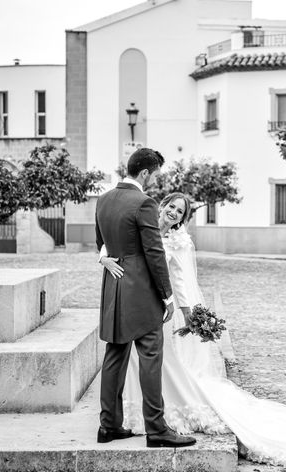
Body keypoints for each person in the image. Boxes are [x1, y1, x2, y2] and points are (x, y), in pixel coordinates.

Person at [101, 192, 286, 466]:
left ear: (182, 219)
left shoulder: (180, 242)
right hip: (140, 306)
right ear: (162, 206)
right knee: (147, 364)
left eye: (180, 212)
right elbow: (115, 244)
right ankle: (140, 414)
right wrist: (103, 258)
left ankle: (163, 415)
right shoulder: (144, 226)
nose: (173, 213)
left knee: (166, 364)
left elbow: (181, 280)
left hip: (164, 308)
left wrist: (185, 313)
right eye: (171, 207)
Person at [95, 148, 196, 448]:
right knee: (151, 355)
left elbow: (101, 242)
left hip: (113, 288)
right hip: (141, 292)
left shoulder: (103, 199)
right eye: (155, 175)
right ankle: (157, 430)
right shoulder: (144, 203)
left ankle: (108, 426)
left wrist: (107, 259)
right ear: (144, 174)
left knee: (115, 355)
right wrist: (166, 297)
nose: (155, 181)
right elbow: (154, 253)